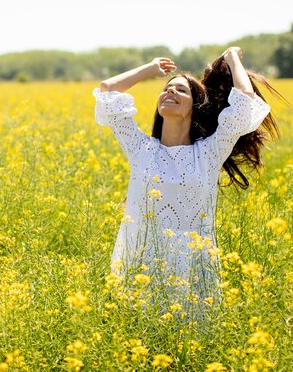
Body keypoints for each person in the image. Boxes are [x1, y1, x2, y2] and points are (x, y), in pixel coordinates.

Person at [93, 47, 279, 311]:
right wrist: (150, 69)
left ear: (195, 106)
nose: (170, 91)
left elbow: (244, 101)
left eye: (181, 90)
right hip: (141, 261)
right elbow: (107, 90)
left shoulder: (209, 152)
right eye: (167, 88)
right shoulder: (140, 148)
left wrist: (231, 57)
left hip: (192, 267)